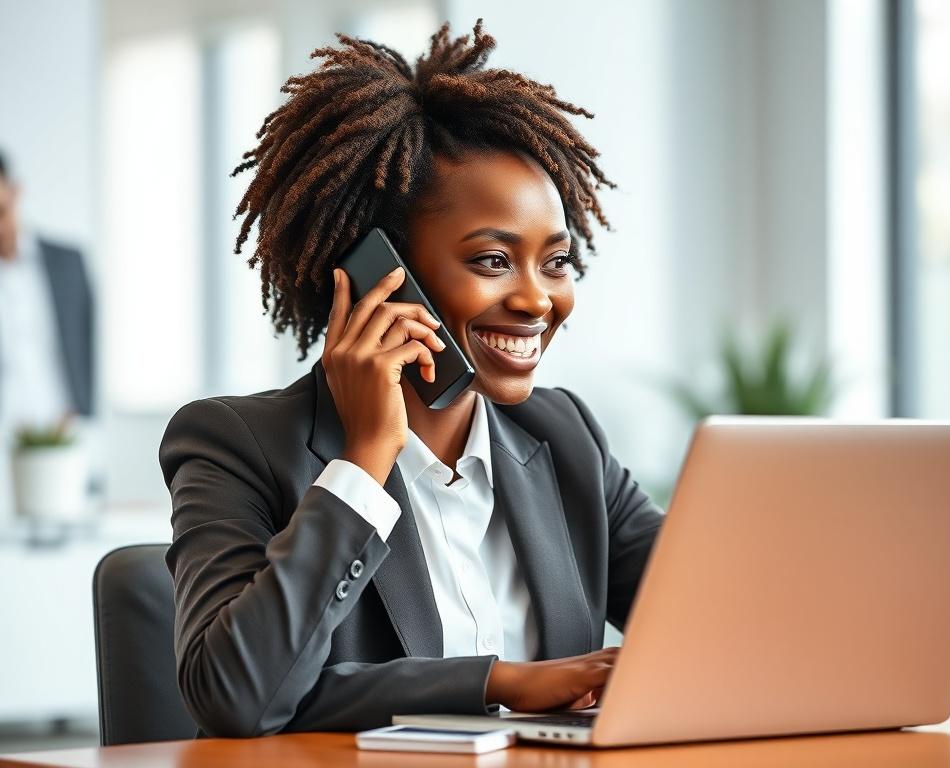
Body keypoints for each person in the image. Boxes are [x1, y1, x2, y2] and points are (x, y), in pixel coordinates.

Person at [158, 18, 664, 737]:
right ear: (380, 274)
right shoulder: (236, 443)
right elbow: (239, 695)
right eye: (492, 260)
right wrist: (364, 460)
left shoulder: (563, 436)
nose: (536, 299)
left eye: (555, 262)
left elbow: (713, 621)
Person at [0, 150, 95, 522]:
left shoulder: (67, 262)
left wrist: (87, 422)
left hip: (62, 432)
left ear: (15, 193)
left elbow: (87, 348)